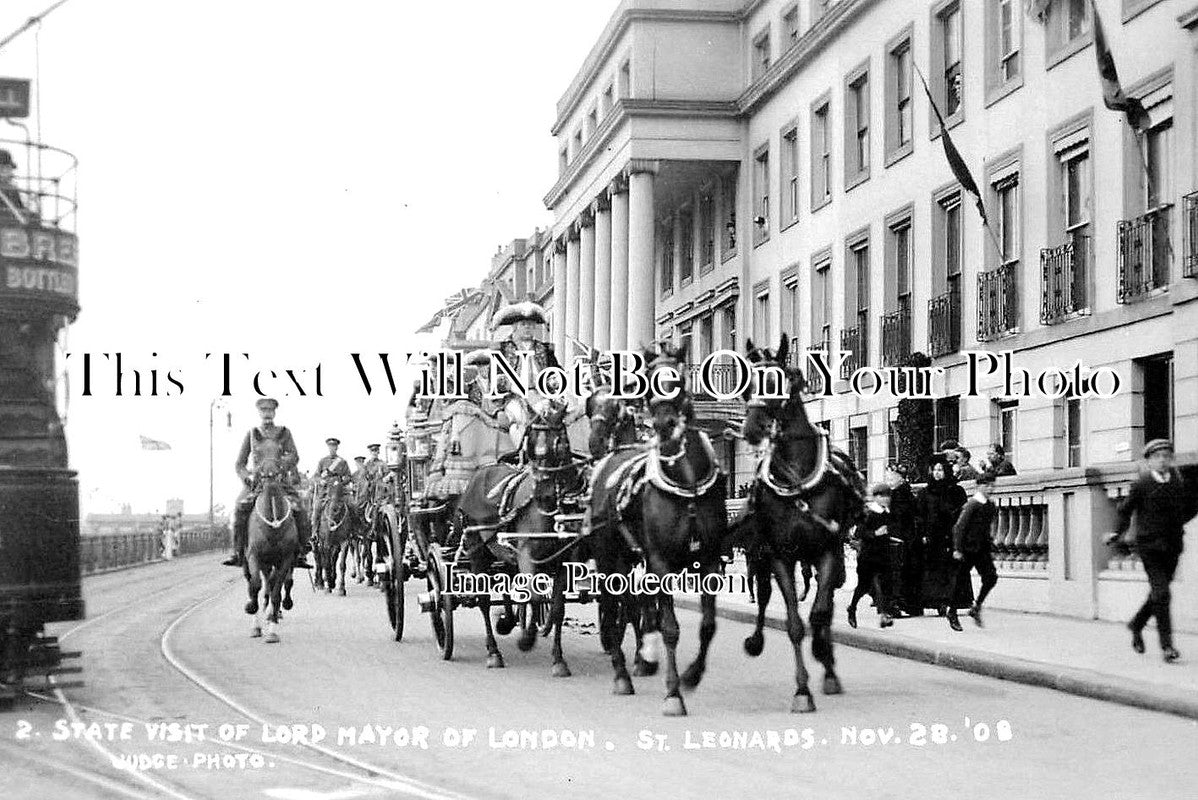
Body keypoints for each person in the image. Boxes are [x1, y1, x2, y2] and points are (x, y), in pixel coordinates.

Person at [1107, 439, 1197, 663]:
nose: (1163, 460)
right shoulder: (1142, 484)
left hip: (1173, 546)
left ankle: (1137, 624)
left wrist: (1177, 523)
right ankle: (1167, 647)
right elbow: (1125, 510)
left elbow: (1190, 507)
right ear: (1149, 461)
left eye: (1166, 456)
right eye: (1157, 457)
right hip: (1149, 547)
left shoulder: (1178, 481)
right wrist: (1116, 534)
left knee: (1158, 594)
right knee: (1163, 594)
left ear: (1171, 459)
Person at [224, 398, 312, 568]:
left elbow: (294, 456)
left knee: (300, 507)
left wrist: (280, 465)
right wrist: (246, 478)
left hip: (280, 482)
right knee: (239, 507)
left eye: (270, 411)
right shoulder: (252, 434)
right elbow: (240, 464)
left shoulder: (284, 433)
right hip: (257, 483)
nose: (267, 414)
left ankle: (301, 551)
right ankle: (237, 551)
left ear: (274, 413)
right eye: (264, 411)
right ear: (259, 413)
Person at [491, 300, 562, 449]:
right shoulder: (502, 350)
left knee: (553, 419)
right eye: (524, 324)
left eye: (531, 324)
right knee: (518, 419)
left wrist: (555, 381)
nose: (528, 328)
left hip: (540, 395)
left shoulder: (544, 349)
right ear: (515, 327)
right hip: (513, 397)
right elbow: (495, 380)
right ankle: (521, 453)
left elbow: (556, 372)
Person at [918, 454, 970, 615]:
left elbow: (963, 513)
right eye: (934, 470)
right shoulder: (926, 492)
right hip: (933, 537)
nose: (937, 473)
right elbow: (920, 515)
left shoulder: (956, 491)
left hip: (951, 535)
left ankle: (953, 601)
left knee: (952, 569)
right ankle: (937, 602)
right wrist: (923, 533)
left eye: (940, 470)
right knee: (935, 570)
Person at [945, 474, 999, 631]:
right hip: (968, 549)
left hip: (982, 549)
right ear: (979, 486)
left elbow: (986, 527)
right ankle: (952, 612)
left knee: (990, 577)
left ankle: (976, 607)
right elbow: (959, 527)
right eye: (987, 485)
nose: (990, 488)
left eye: (992, 485)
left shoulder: (989, 505)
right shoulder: (972, 504)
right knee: (961, 582)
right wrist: (957, 549)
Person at [847, 484, 899, 629]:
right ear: (876, 497)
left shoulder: (888, 513)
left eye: (888, 497)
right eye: (882, 496)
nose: (886, 499)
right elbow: (859, 533)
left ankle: (884, 614)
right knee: (864, 587)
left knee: (885, 585)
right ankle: (852, 608)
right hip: (868, 556)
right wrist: (875, 533)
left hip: (884, 555)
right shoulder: (868, 512)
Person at [885, 463, 919, 616]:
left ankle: (897, 604)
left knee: (897, 572)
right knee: (901, 571)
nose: (889, 480)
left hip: (899, 537)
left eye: (892, 477)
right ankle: (906, 604)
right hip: (904, 536)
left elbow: (899, 516)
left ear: (901, 479)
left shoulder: (899, 494)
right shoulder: (902, 493)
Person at [312, 437, 352, 527]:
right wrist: (321, 481)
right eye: (330, 446)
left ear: (337, 448)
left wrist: (341, 481)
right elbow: (316, 476)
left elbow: (349, 476)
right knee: (316, 509)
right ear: (328, 447)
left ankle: (354, 533)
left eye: (334, 446)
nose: (332, 448)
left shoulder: (342, 462)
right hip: (325, 492)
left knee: (352, 506)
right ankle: (314, 534)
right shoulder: (322, 461)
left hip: (340, 491)